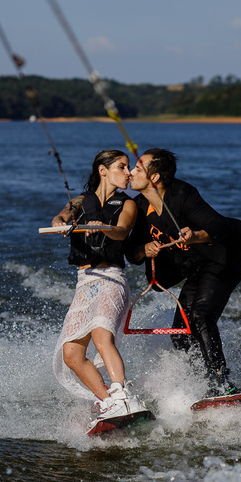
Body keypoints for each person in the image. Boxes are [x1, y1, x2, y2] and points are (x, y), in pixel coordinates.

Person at [127, 147, 241, 401]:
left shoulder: (182, 194)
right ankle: (202, 384)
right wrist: (144, 249)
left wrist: (196, 236)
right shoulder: (140, 207)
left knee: (201, 317)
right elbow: (132, 253)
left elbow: (218, 225)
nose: (131, 173)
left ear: (155, 177)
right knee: (180, 332)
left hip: (221, 261)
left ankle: (222, 384)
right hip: (195, 269)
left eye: (137, 169)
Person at [51, 148, 148, 427]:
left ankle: (123, 394)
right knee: (71, 354)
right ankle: (108, 402)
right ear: (103, 170)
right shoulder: (80, 202)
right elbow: (59, 217)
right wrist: (60, 224)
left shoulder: (127, 205)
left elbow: (120, 231)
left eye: (129, 167)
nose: (128, 172)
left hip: (112, 278)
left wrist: (103, 226)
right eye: (122, 166)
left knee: (101, 335)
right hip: (85, 283)